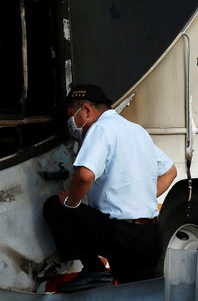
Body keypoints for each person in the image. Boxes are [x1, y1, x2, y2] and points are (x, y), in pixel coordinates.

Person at [43, 84, 177, 293]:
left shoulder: (100, 129)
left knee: (55, 206)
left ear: (86, 110)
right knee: (136, 295)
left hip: (122, 236)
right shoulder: (136, 130)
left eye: (71, 116)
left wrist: (71, 203)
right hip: (151, 237)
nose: (71, 124)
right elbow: (170, 172)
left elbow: (85, 176)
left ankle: (93, 269)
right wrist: (140, 196)